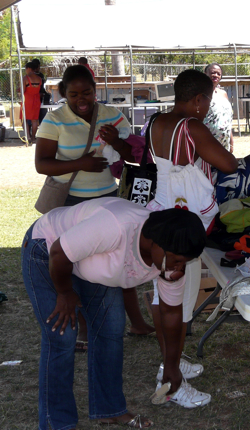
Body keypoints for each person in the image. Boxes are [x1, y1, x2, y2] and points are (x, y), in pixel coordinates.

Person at [22, 199, 208, 429]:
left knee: (110, 331)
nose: (179, 269)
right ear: (155, 243)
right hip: (48, 249)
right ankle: (56, 423)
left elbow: (170, 313)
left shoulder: (169, 265)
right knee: (62, 337)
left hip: (89, 263)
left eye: (185, 263)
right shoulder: (117, 226)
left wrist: (172, 365)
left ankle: (109, 410)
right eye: (177, 260)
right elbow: (59, 252)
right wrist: (65, 293)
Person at [35, 65, 155, 350]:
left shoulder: (112, 115)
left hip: (110, 200)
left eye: (87, 92)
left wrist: (117, 142)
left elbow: (134, 158)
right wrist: (81, 163)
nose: (81, 99)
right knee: (77, 265)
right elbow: (42, 164)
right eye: (74, 94)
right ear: (64, 93)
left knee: (123, 261)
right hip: (71, 203)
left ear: (95, 89)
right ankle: (84, 329)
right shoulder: (54, 120)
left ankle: (136, 322)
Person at [147, 68, 237, 407]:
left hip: (162, 211)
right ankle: (172, 379)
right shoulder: (192, 127)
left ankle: (172, 358)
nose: (206, 107)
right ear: (199, 99)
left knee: (162, 295)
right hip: (185, 220)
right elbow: (227, 162)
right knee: (180, 302)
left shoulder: (155, 121)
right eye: (208, 101)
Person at [203, 62, 235, 153]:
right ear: (205, 74)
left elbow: (228, 120)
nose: (216, 75)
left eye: (219, 74)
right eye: (213, 72)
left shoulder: (223, 94)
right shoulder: (200, 95)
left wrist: (231, 142)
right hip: (207, 144)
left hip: (224, 144)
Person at [21, 61, 42, 144]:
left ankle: (28, 137)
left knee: (24, 119)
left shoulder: (25, 78)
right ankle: (33, 138)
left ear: (29, 68)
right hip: (36, 100)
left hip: (27, 99)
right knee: (34, 120)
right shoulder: (39, 78)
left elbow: (23, 90)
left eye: (26, 68)